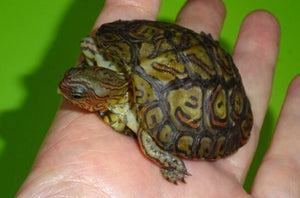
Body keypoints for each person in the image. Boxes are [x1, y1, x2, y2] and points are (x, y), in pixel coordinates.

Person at [17, 0, 300, 197]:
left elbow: (151, 138)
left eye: (77, 93)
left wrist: (171, 163)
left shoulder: (141, 119)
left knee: (148, 138)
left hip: (212, 88)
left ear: (96, 100)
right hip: (180, 54)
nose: (68, 89)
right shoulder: (111, 77)